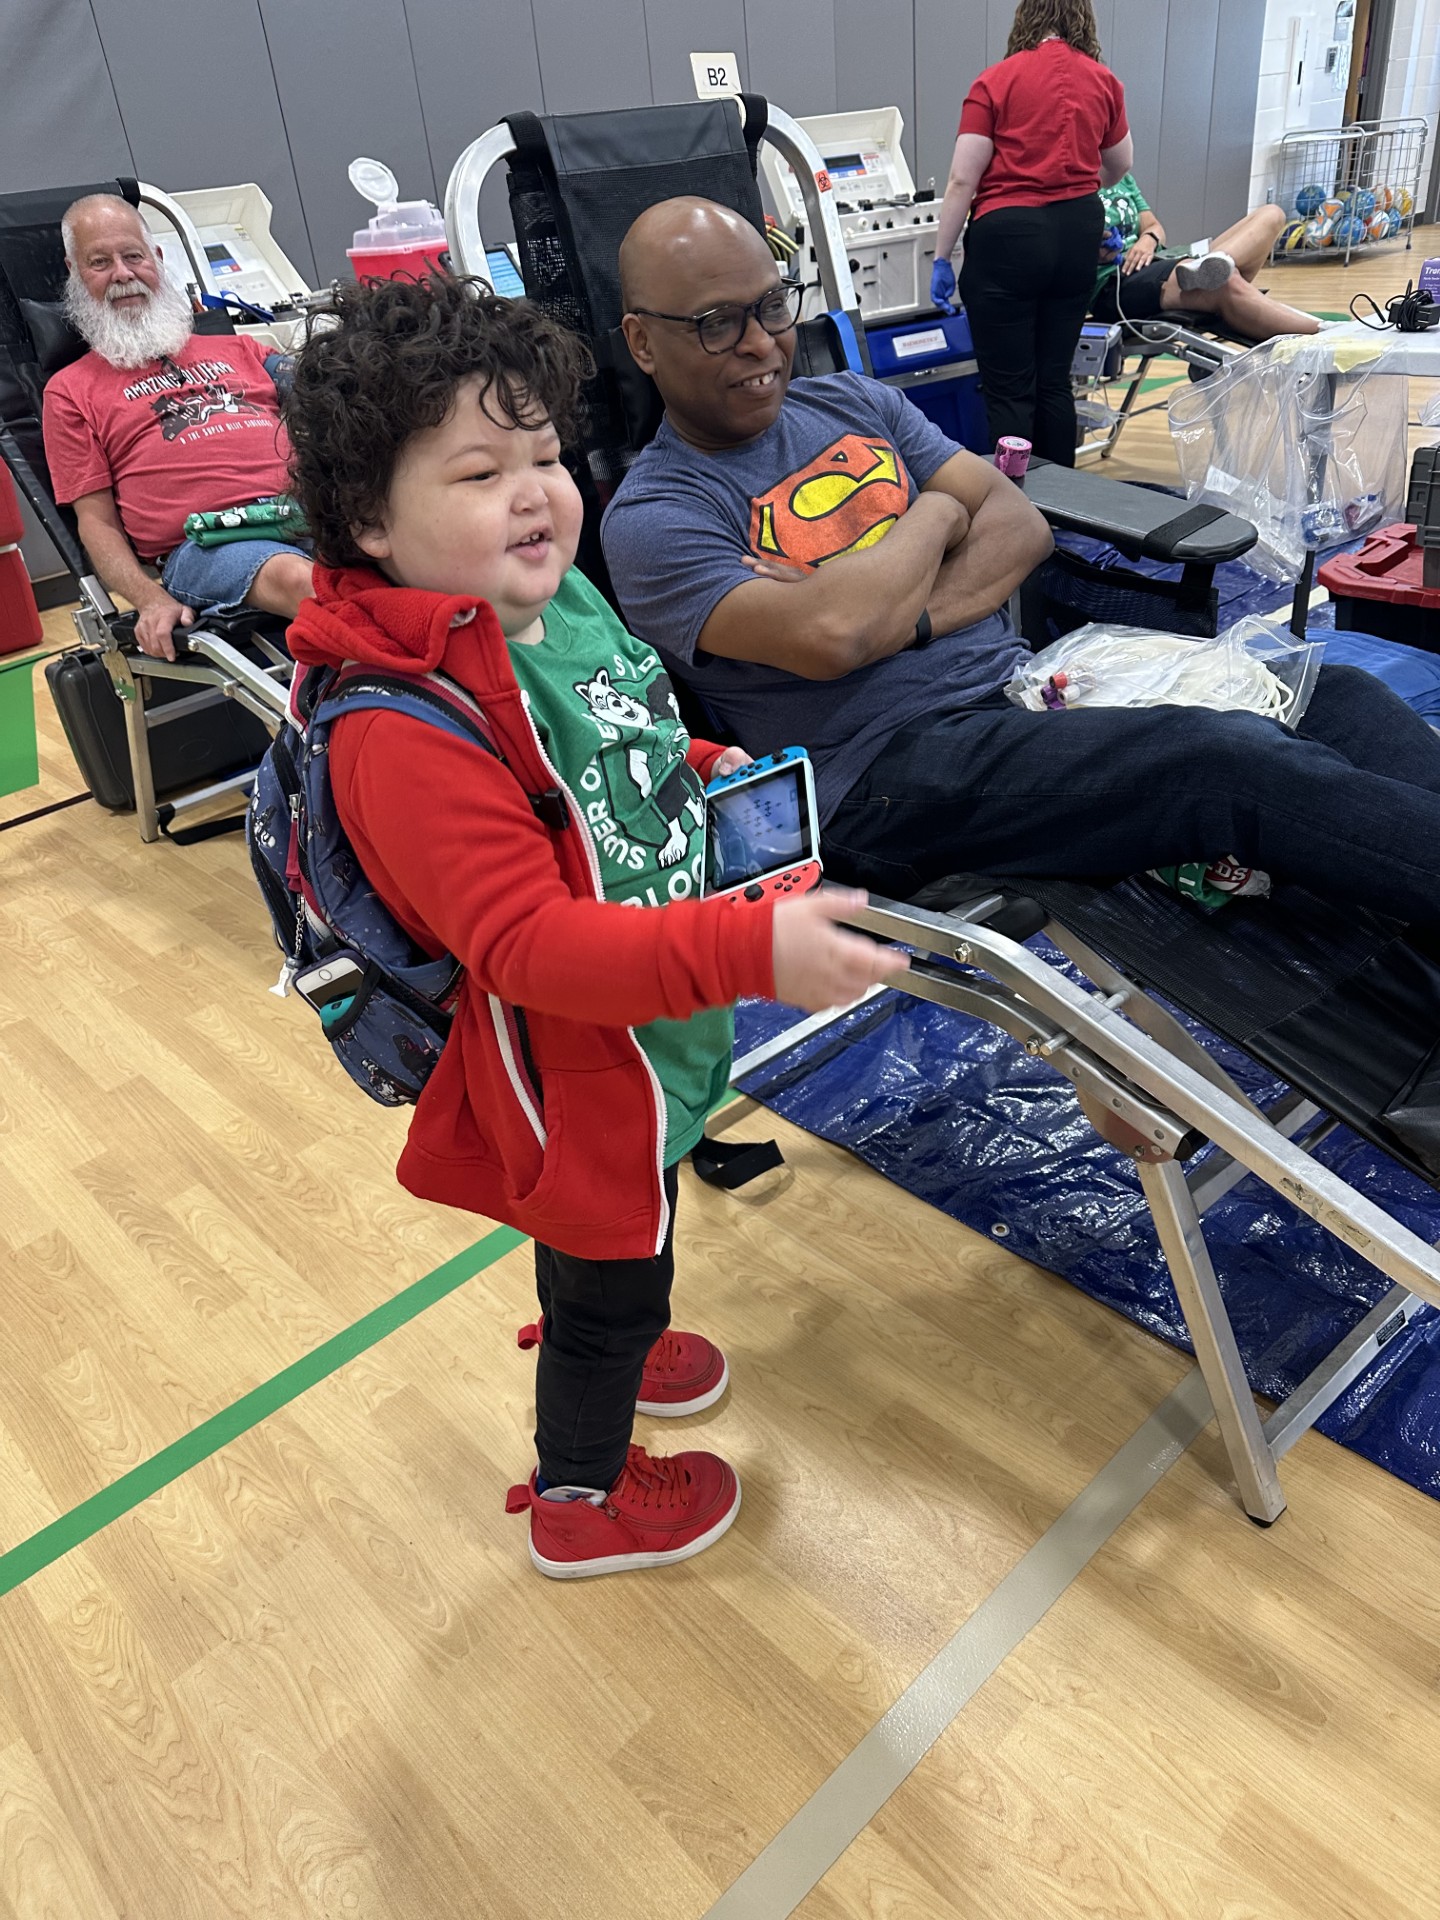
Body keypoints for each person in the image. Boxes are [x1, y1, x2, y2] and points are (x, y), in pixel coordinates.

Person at [280, 274, 907, 1579]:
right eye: (476, 471)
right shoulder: (396, 731)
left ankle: (604, 1317)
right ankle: (583, 1488)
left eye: (547, 455)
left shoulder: (545, 591)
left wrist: (702, 762)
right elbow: (529, 949)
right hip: (570, 1064)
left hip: (647, 1031)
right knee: (613, 1262)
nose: (534, 494)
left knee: (633, 1218)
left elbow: (619, 714)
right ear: (366, 522)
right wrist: (755, 953)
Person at [602, 196, 1440, 933]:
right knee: (1217, 765)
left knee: (1334, 697)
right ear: (641, 341)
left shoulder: (851, 401)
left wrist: (903, 608)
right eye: (718, 322)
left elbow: (1017, 524)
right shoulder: (656, 516)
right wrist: (936, 509)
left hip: (1022, 687)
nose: (760, 344)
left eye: (772, 307)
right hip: (880, 775)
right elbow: (836, 633)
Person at [43, 195, 313, 661]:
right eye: (100, 262)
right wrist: (149, 599)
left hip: (308, 513)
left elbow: (331, 391)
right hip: (206, 546)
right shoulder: (69, 392)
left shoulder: (242, 350)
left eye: (133, 256)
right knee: (301, 579)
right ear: (75, 273)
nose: (123, 274)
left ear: (157, 260)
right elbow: (97, 523)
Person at [929, 0, 1132, 465]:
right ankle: (1068, 512)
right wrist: (1074, 191)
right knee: (1055, 381)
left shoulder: (995, 81)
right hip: (1078, 229)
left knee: (1009, 389)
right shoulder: (1104, 81)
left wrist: (942, 258)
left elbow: (964, 179)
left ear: (1025, 19)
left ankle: (1014, 509)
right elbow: (1120, 164)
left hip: (1008, 237)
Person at [1092, 176, 1320, 339]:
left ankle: (1210, 265)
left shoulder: (1122, 178)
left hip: (1160, 261)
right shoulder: (1073, 186)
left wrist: (1148, 238)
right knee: (1226, 282)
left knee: (1272, 214)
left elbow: (1154, 225)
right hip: (1115, 281)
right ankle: (1321, 331)